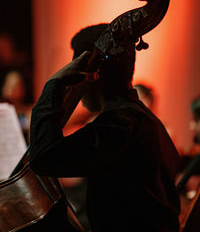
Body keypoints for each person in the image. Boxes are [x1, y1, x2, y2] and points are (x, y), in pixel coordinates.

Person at [29, 23, 180, 232]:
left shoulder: (120, 125)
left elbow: (44, 158)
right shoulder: (143, 120)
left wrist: (54, 84)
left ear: (90, 72)